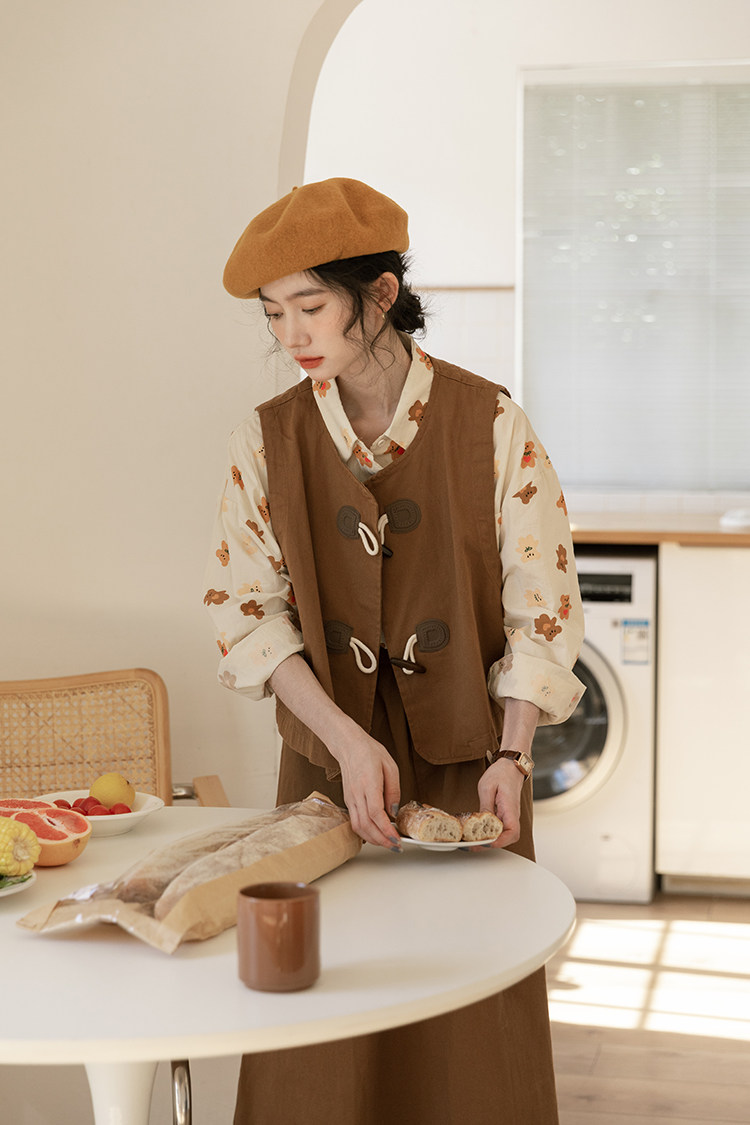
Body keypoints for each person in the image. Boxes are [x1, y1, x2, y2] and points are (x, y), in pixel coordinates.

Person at [205, 177, 585, 1125]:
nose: (292, 334)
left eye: (311, 305)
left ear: (379, 293)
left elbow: (542, 607)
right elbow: (247, 615)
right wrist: (344, 739)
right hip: (325, 777)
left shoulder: (491, 423)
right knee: (316, 1029)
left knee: (472, 1034)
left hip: (471, 776)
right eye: (274, 313)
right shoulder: (267, 440)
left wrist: (512, 753)